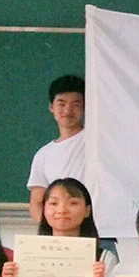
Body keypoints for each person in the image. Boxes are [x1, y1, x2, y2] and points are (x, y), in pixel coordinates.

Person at [28, 75, 87, 224]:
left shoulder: (96, 142)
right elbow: (37, 202)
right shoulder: (43, 155)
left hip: (97, 231)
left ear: (85, 107)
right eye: (62, 104)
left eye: (76, 104)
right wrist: (50, 231)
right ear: (51, 107)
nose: (68, 110)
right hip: (58, 233)